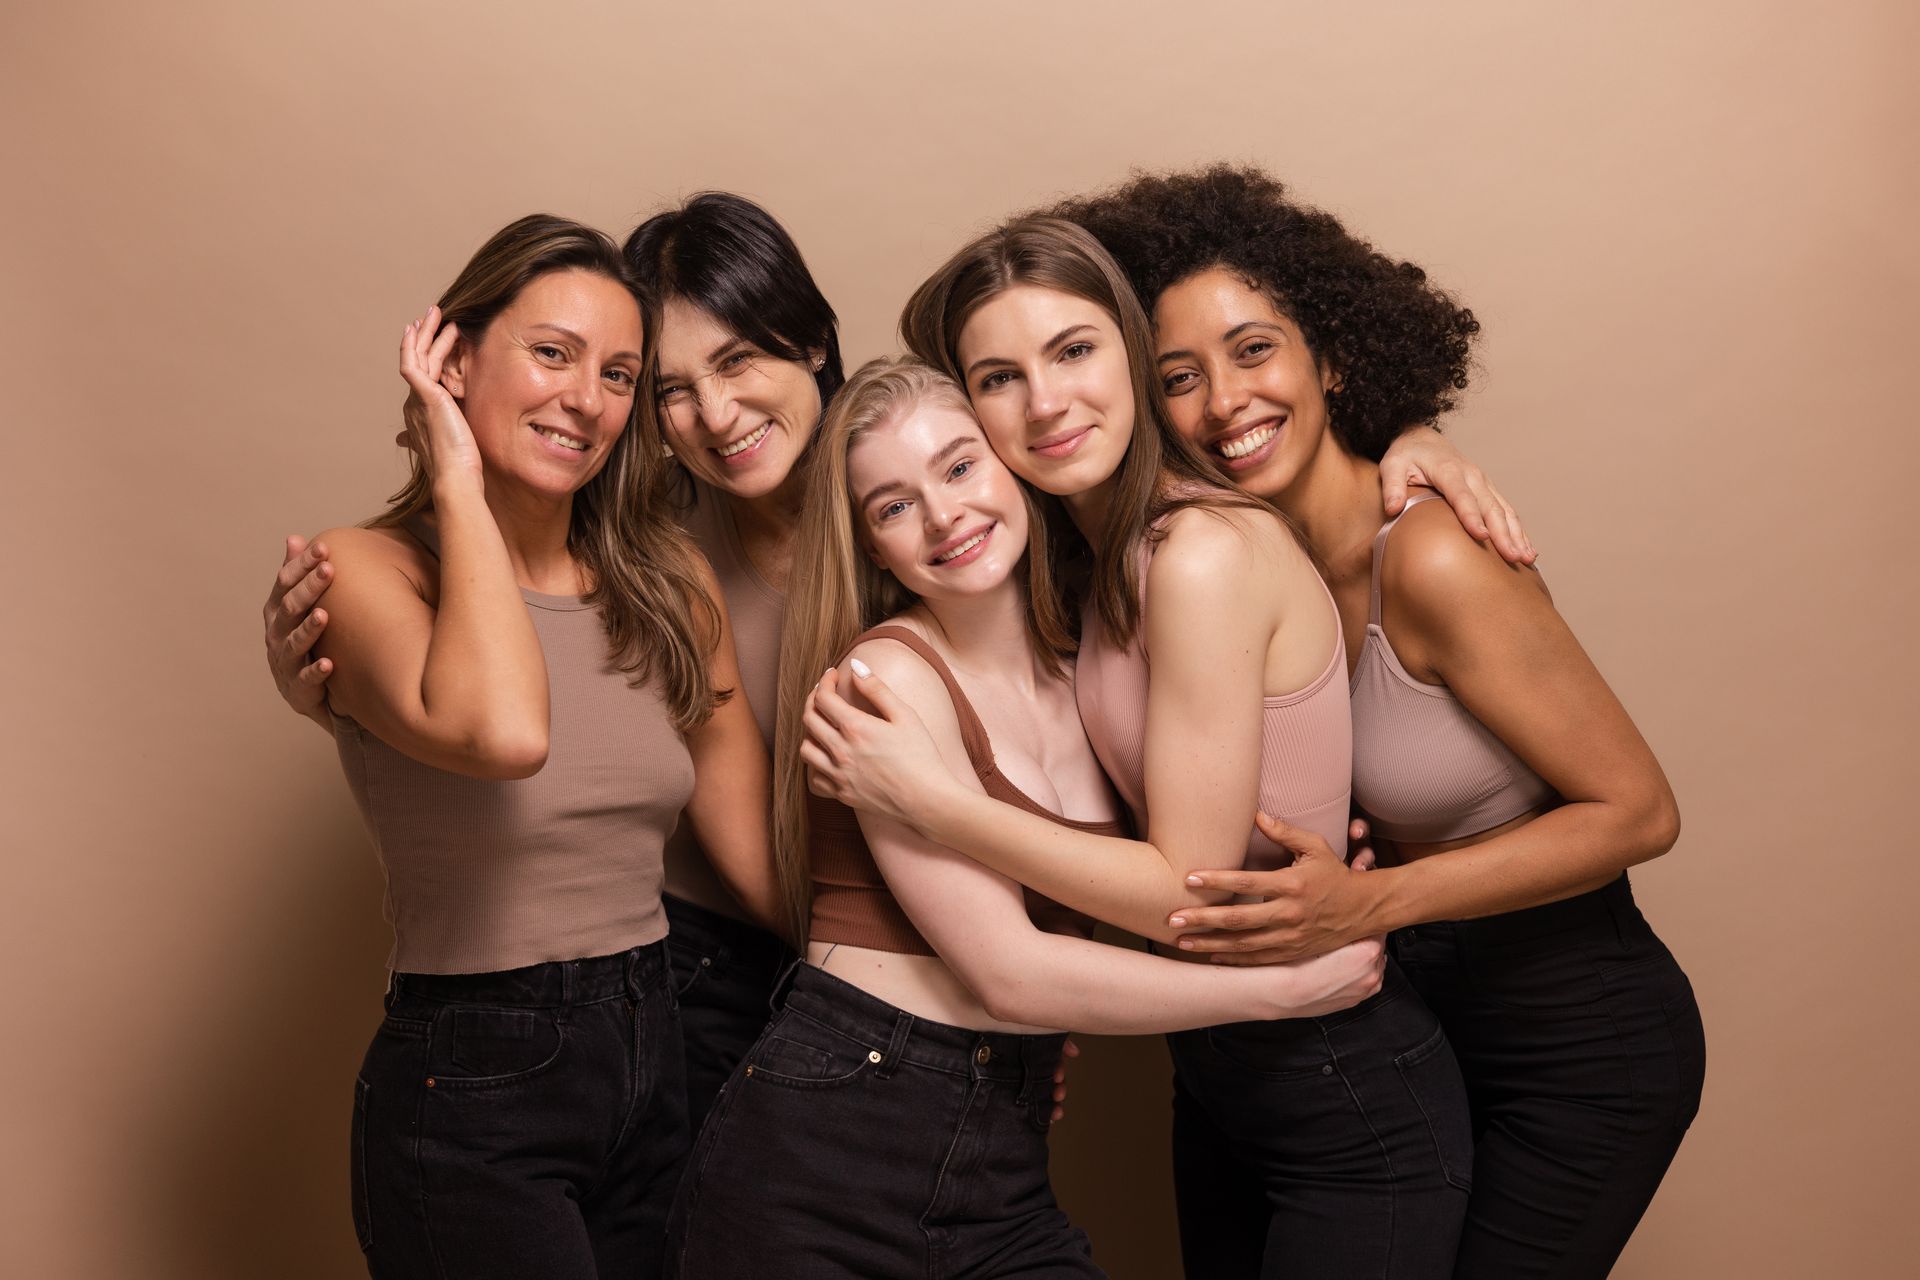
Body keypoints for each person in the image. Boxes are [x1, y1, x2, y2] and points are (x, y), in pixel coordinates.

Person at [258, 191, 1529, 1137]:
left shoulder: (966, 486)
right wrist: (972, 974)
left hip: (938, 986)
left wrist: (1404, 434)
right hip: (742, 977)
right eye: (672, 389)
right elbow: (506, 697)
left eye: (741, 361)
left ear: (812, 344)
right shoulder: (657, 556)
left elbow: (1132, 369)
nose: (713, 414)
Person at [1056, 164, 1706, 1278]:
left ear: (1332, 356)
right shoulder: (1232, 560)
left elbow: (1641, 810)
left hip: (1579, 1038)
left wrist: (1377, 897)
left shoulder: (1436, 554)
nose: (1225, 402)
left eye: (1255, 349)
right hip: (1411, 1017)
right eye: (1179, 376)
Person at [803, 219, 1473, 1277]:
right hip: (1220, 1068)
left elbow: (1183, 887)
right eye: (999, 376)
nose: (1048, 402)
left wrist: (933, 802)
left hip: (1339, 1080)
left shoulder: (1201, 554)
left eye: (1074, 350)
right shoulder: (1087, 562)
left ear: (1128, 346)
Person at [668, 355, 1386, 1279]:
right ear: (872, 547)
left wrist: (1319, 860)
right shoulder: (882, 683)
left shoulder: (1092, 670)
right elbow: (1009, 975)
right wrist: (1279, 989)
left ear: (1014, 467)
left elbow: (1175, 855)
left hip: (997, 1145)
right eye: (892, 506)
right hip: (827, 1144)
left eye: (961, 467)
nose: (943, 516)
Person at [311, 214, 779, 1278]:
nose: (587, 398)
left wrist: (942, 985)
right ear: (455, 357)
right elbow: (504, 731)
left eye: (620, 373)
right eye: (552, 352)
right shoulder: (367, 572)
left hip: (655, 1045)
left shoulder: (667, 586)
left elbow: (756, 855)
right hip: (473, 1084)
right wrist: (457, 484)